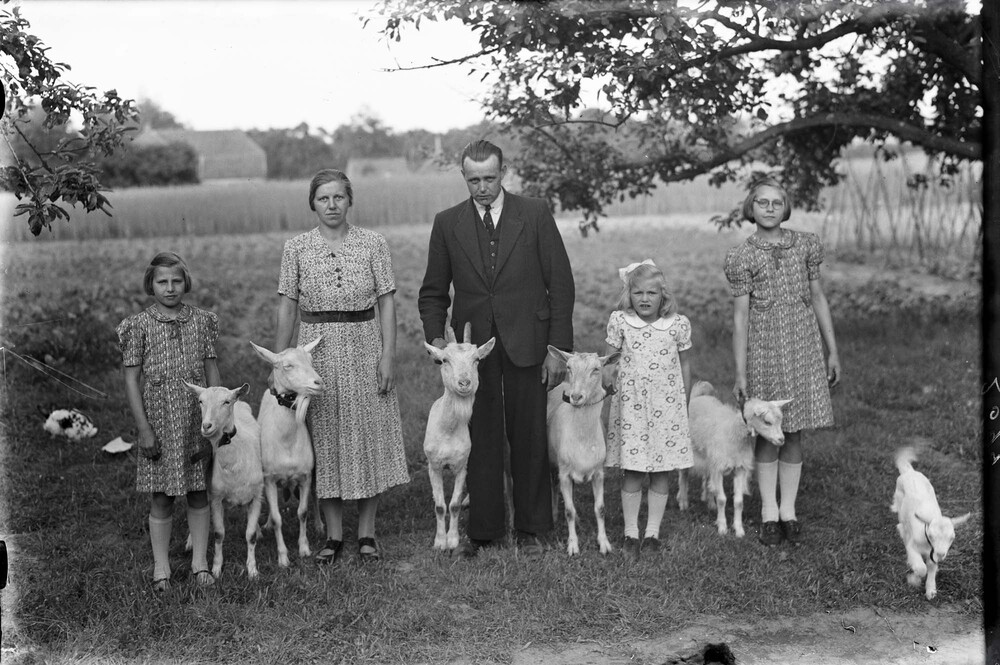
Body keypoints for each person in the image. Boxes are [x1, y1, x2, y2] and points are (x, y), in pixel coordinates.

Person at [418, 140, 575, 558]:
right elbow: (433, 292)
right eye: (473, 180)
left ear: (503, 172)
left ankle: (533, 529)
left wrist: (557, 349)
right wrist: (439, 341)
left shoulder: (534, 213)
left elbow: (560, 283)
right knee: (480, 434)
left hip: (529, 340)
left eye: (489, 178)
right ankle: (484, 531)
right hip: (472, 352)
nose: (482, 187)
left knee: (529, 433)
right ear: (463, 177)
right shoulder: (447, 223)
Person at [275, 168, 409, 564]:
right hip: (316, 352)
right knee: (324, 435)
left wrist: (388, 355)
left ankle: (367, 532)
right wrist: (281, 362)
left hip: (364, 344)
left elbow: (386, 301)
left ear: (349, 200)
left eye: (338, 197)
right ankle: (333, 535)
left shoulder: (373, 243)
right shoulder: (296, 248)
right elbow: (288, 307)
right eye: (323, 198)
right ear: (312, 204)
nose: (331, 205)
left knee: (368, 433)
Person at [724, 177, 841, 547]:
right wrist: (741, 373)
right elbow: (740, 317)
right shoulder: (742, 256)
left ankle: (789, 511)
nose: (770, 208)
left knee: (794, 431)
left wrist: (832, 350)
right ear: (751, 208)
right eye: (763, 202)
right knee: (768, 430)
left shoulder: (805, 245)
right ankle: (768, 513)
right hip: (764, 350)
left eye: (777, 202)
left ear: (786, 208)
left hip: (802, 346)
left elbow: (818, 297)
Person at [117, 251, 221, 591]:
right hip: (159, 419)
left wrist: (217, 417)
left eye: (177, 281)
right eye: (162, 282)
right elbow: (131, 380)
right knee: (162, 495)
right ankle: (161, 568)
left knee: (198, 490)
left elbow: (212, 372)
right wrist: (144, 429)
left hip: (195, 418)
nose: (170, 288)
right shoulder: (139, 325)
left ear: (185, 283)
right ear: (151, 285)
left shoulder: (202, 321)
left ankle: (200, 564)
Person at [604, 260, 693, 560]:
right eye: (638, 292)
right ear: (629, 294)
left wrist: (684, 401)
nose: (644, 299)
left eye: (651, 293)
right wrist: (608, 386)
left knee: (661, 470)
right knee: (633, 469)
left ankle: (652, 533)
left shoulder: (677, 325)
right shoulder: (621, 322)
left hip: (666, 408)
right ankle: (631, 533)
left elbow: (685, 365)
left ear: (663, 296)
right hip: (632, 408)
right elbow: (610, 362)